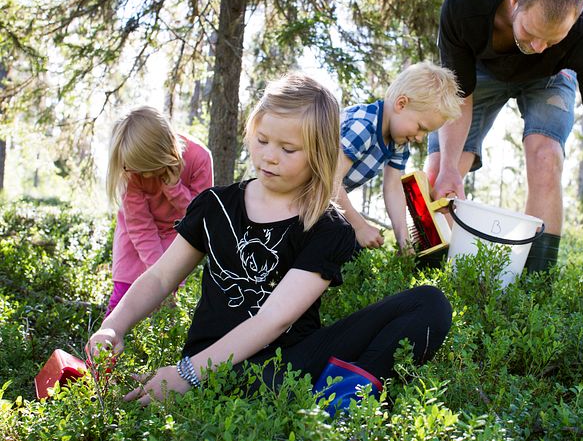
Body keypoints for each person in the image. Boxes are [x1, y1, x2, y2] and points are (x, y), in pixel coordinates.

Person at [86, 73, 452, 414]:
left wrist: (184, 374)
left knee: (430, 304)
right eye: (262, 140)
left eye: (289, 149)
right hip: (213, 366)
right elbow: (160, 277)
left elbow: (274, 320)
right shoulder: (216, 205)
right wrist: (113, 327)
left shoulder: (326, 227)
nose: (270, 156)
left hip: (286, 367)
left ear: (319, 154)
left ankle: (339, 408)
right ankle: (315, 404)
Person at [425, 0, 583, 288]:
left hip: (551, 78)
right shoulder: (467, 6)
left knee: (545, 155)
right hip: (481, 73)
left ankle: (536, 285)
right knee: (440, 169)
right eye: (530, 33)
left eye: (553, 39)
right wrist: (448, 165)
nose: (538, 47)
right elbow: (458, 96)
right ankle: (436, 274)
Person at [336, 61, 462, 251]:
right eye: (421, 127)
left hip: (321, 199)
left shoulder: (398, 142)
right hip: (298, 190)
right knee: (340, 240)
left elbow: (393, 187)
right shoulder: (363, 125)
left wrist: (403, 238)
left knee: (350, 248)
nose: (419, 138)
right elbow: (328, 180)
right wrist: (360, 226)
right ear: (401, 104)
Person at [105, 106, 213, 314]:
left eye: (145, 170)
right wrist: (157, 272)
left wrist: (174, 189)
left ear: (161, 155)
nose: (141, 176)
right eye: (132, 169)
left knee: (164, 306)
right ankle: (104, 344)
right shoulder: (132, 169)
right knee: (122, 297)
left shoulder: (199, 159)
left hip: (178, 236)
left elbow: (199, 217)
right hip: (134, 238)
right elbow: (140, 226)